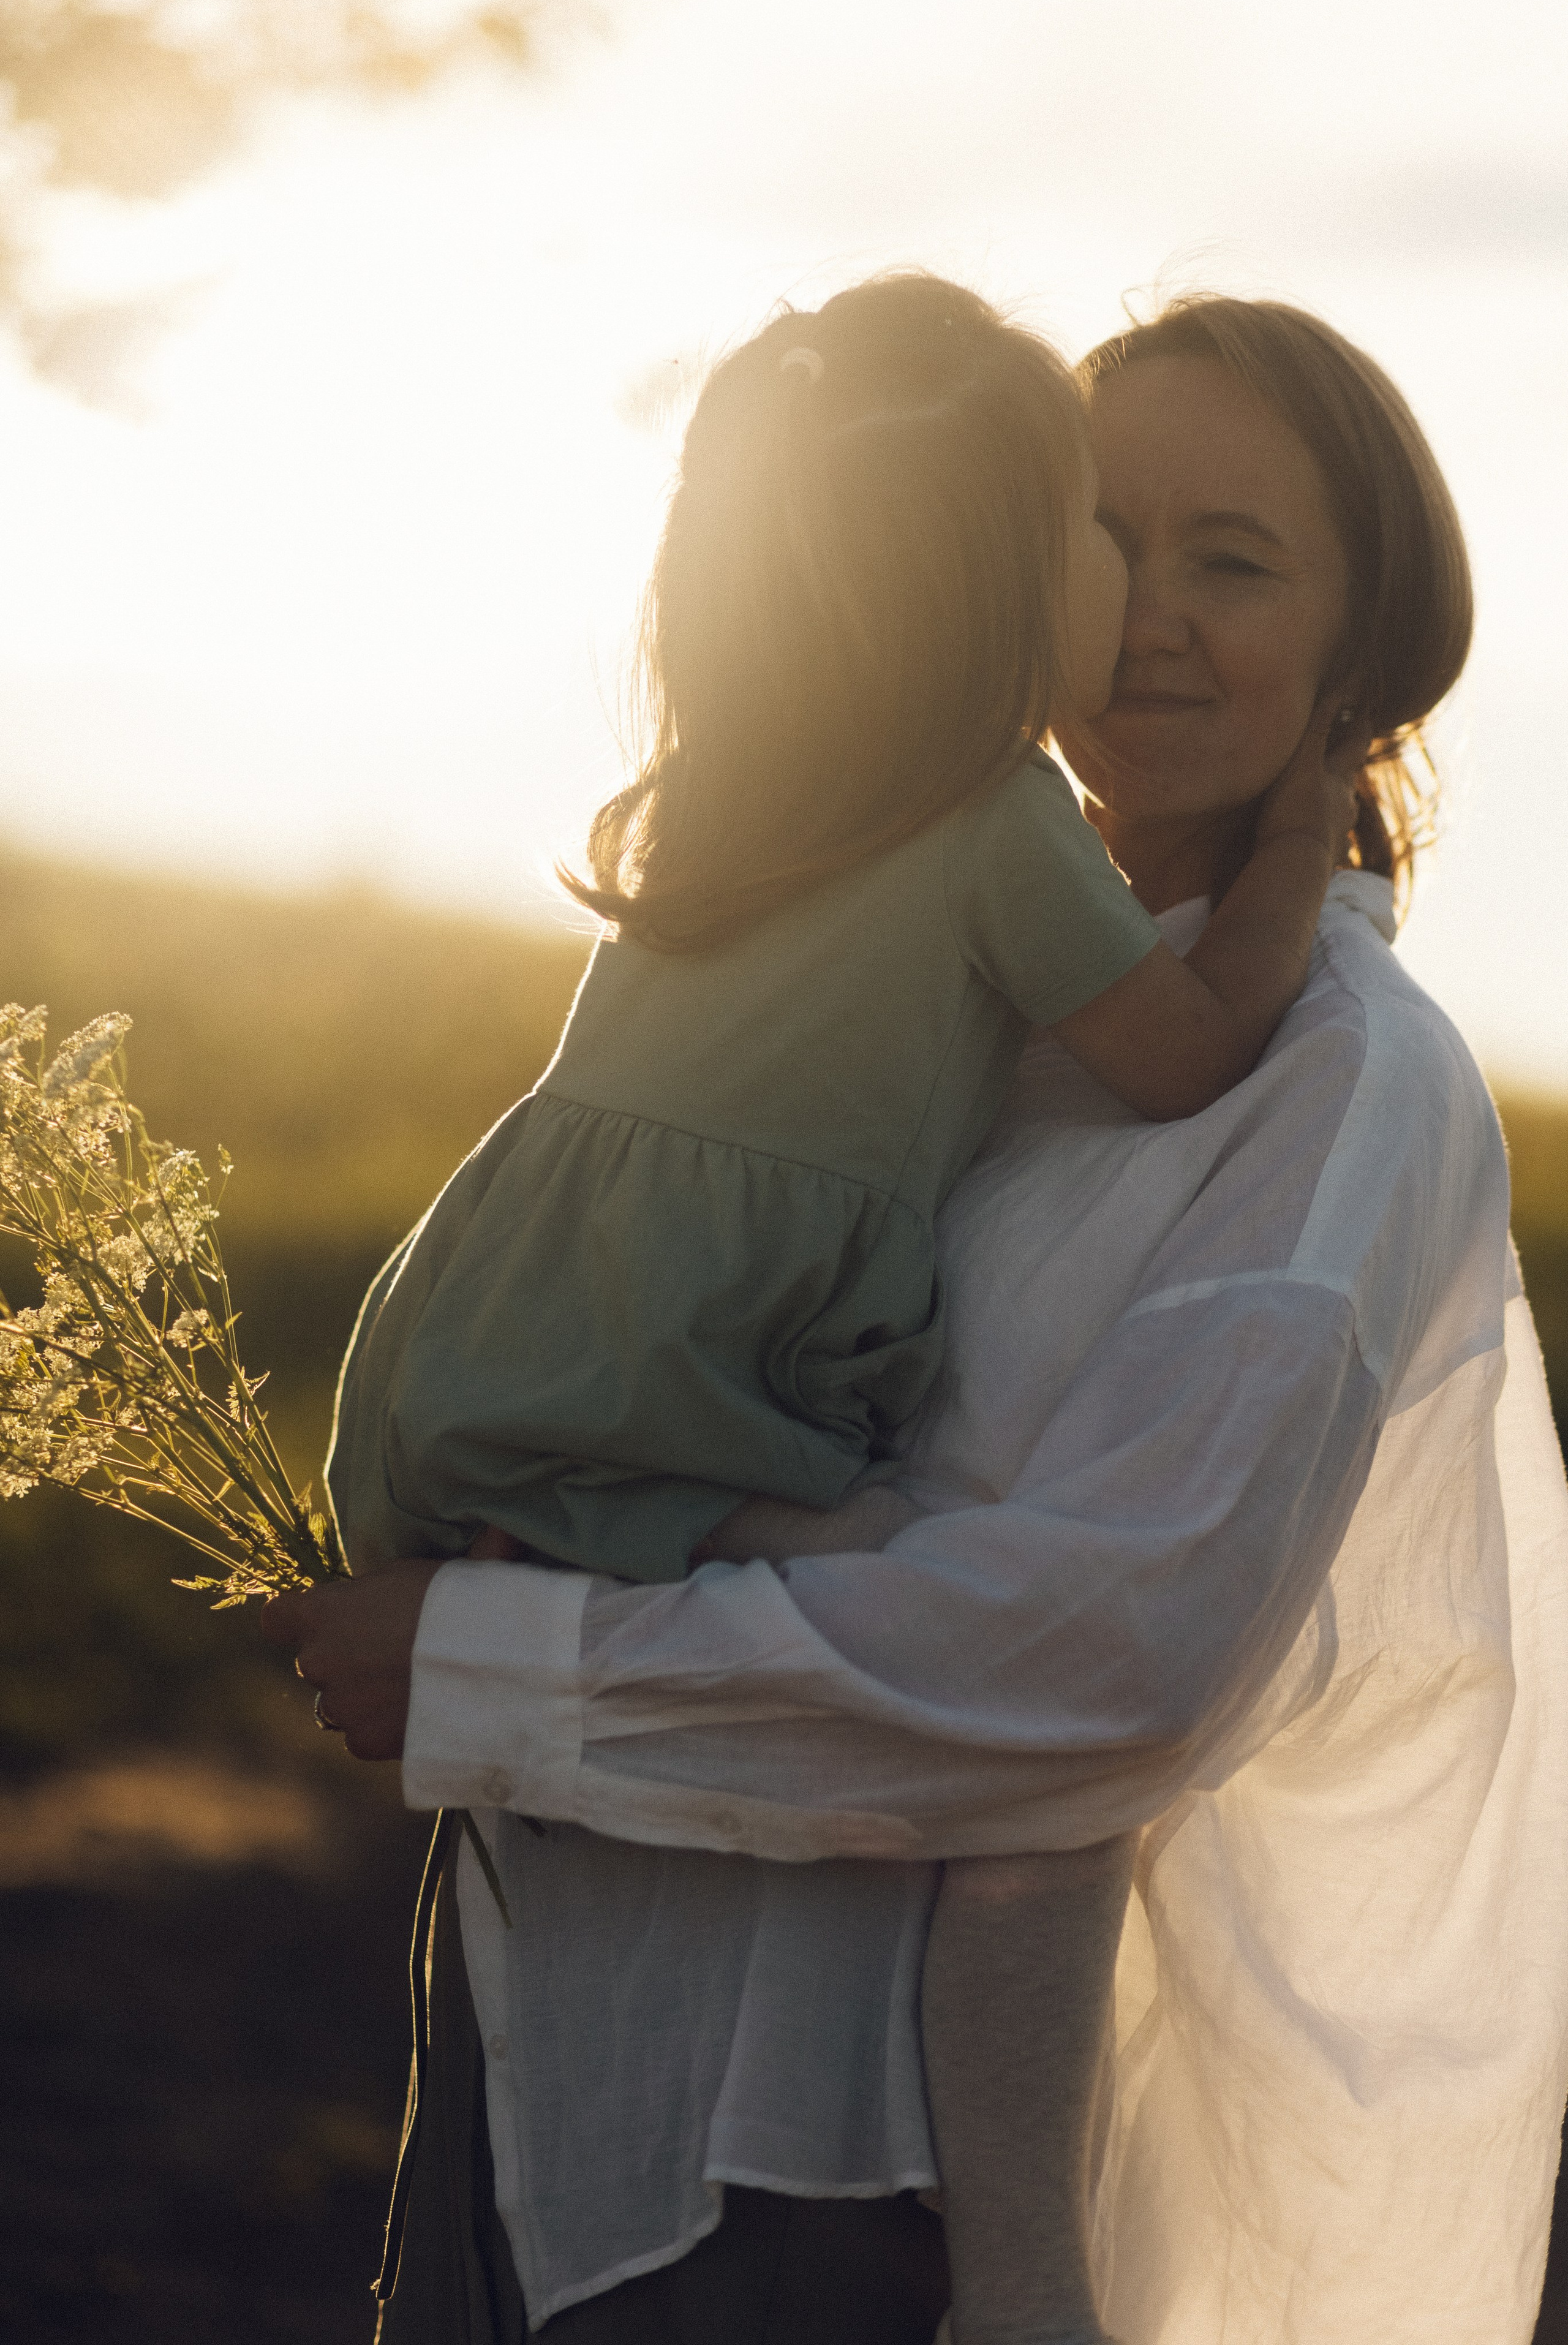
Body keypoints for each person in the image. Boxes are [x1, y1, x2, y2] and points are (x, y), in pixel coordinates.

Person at [265, 293, 1568, 2345]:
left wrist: (500, 1658)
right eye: (1107, 531)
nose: (1145, 609)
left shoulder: (1335, 1087)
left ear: (1366, 651)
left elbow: (1104, 1660)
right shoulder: (933, 948)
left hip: (827, 2175)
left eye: (1233, 559)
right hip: (558, 2052)